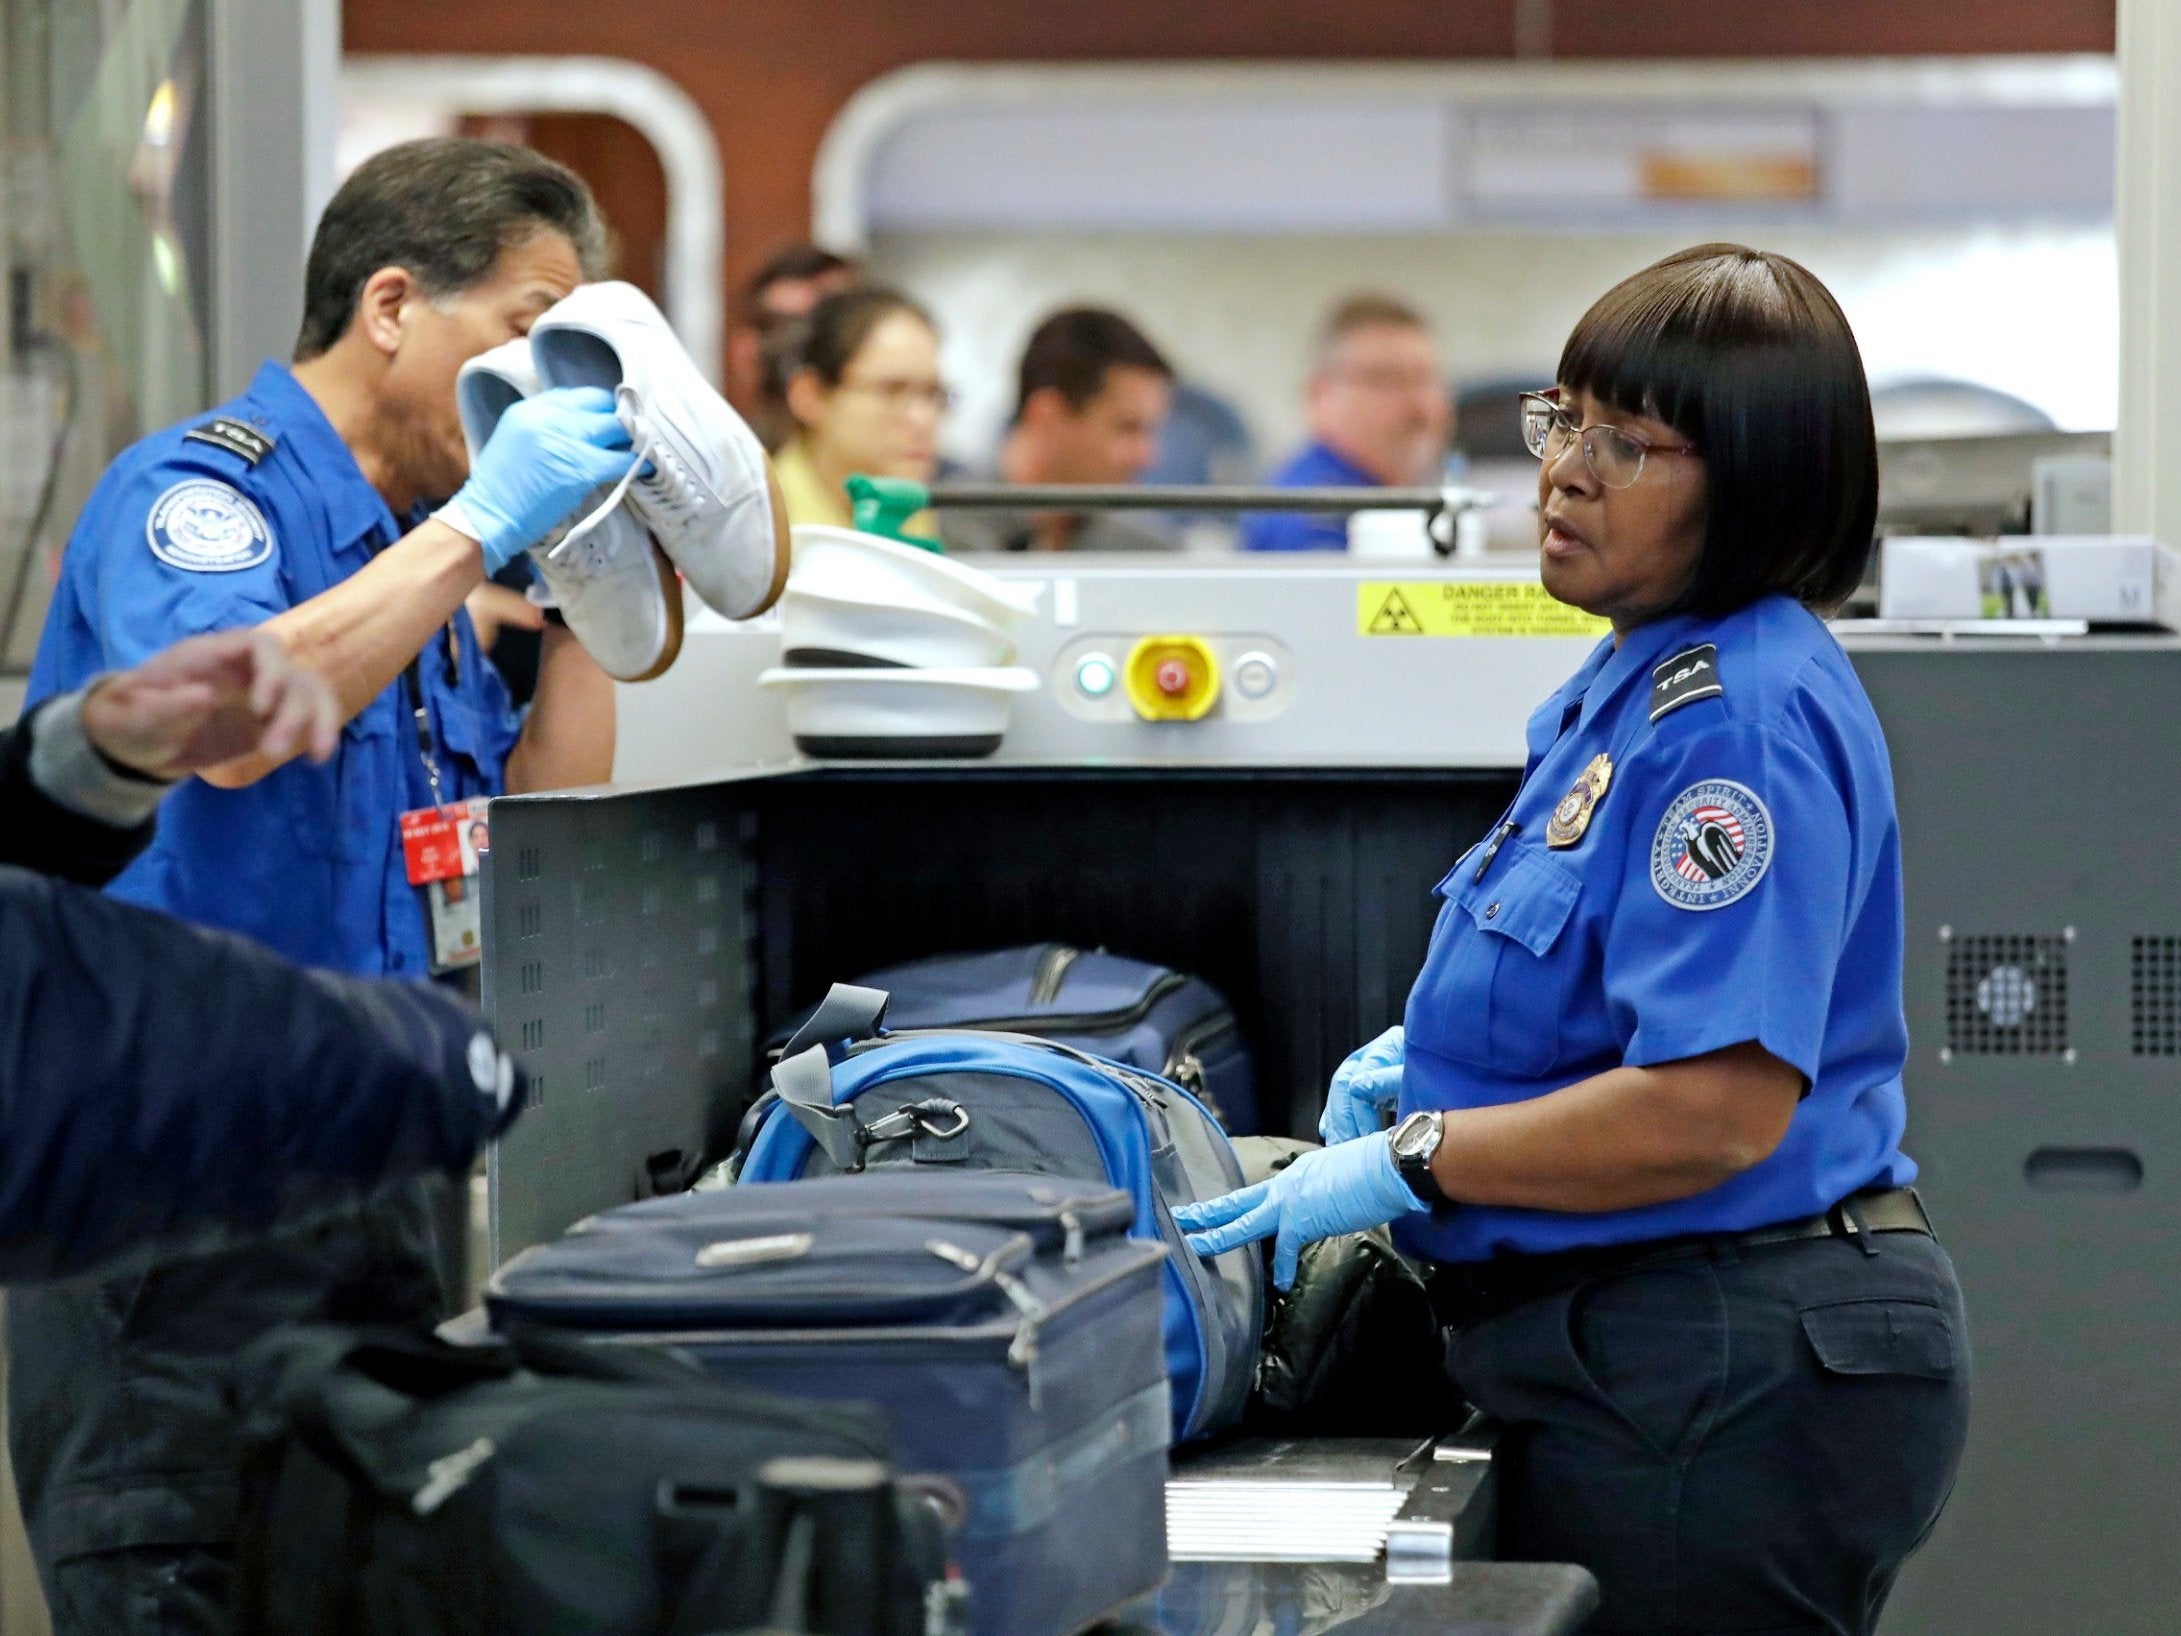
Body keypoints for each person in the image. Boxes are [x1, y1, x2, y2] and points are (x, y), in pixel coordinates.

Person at [1179, 245, 1970, 1636]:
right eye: (1561, 422)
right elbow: (1597, 987)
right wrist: (1426, 1064)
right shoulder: (1628, 687)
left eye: (1627, 444)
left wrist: (1415, 1155)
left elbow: (1712, 1108)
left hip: (1721, 1354)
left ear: (1758, 481)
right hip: (1638, 1344)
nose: (1564, 471)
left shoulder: (1737, 720)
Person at [12, 136, 637, 1635]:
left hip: (381, 1202)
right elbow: (230, 729)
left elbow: (546, 823)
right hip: (178, 1218)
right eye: (522, 333)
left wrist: (585, 601)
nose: (540, 386)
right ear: (392, 305)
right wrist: (479, 528)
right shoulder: (206, 497)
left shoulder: (415, 568)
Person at [0, 626, 528, 1284]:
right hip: (223, 1153)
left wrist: (84, 760)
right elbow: (47, 1055)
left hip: (307, 1125)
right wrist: (431, 1061)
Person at [939, 306, 1178, 554]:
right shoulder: (939, 536)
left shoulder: (1145, 554)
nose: (1147, 457)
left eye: (1150, 431)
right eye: (1126, 428)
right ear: (1047, 416)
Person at [1238, 293, 1451, 553]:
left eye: (1426, 379)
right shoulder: (1311, 514)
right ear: (1320, 395)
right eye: (1387, 380)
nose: (1419, 405)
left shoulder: (1396, 498)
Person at [773, 286, 945, 531]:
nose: (923, 419)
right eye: (891, 390)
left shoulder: (927, 520)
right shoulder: (758, 534)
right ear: (809, 396)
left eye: (932, 394)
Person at [727, 242, 861, 447]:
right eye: (781, 326)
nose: (800, 346)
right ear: (744, 353)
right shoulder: (722, 469)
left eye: (826, 328)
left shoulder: (907, 469)